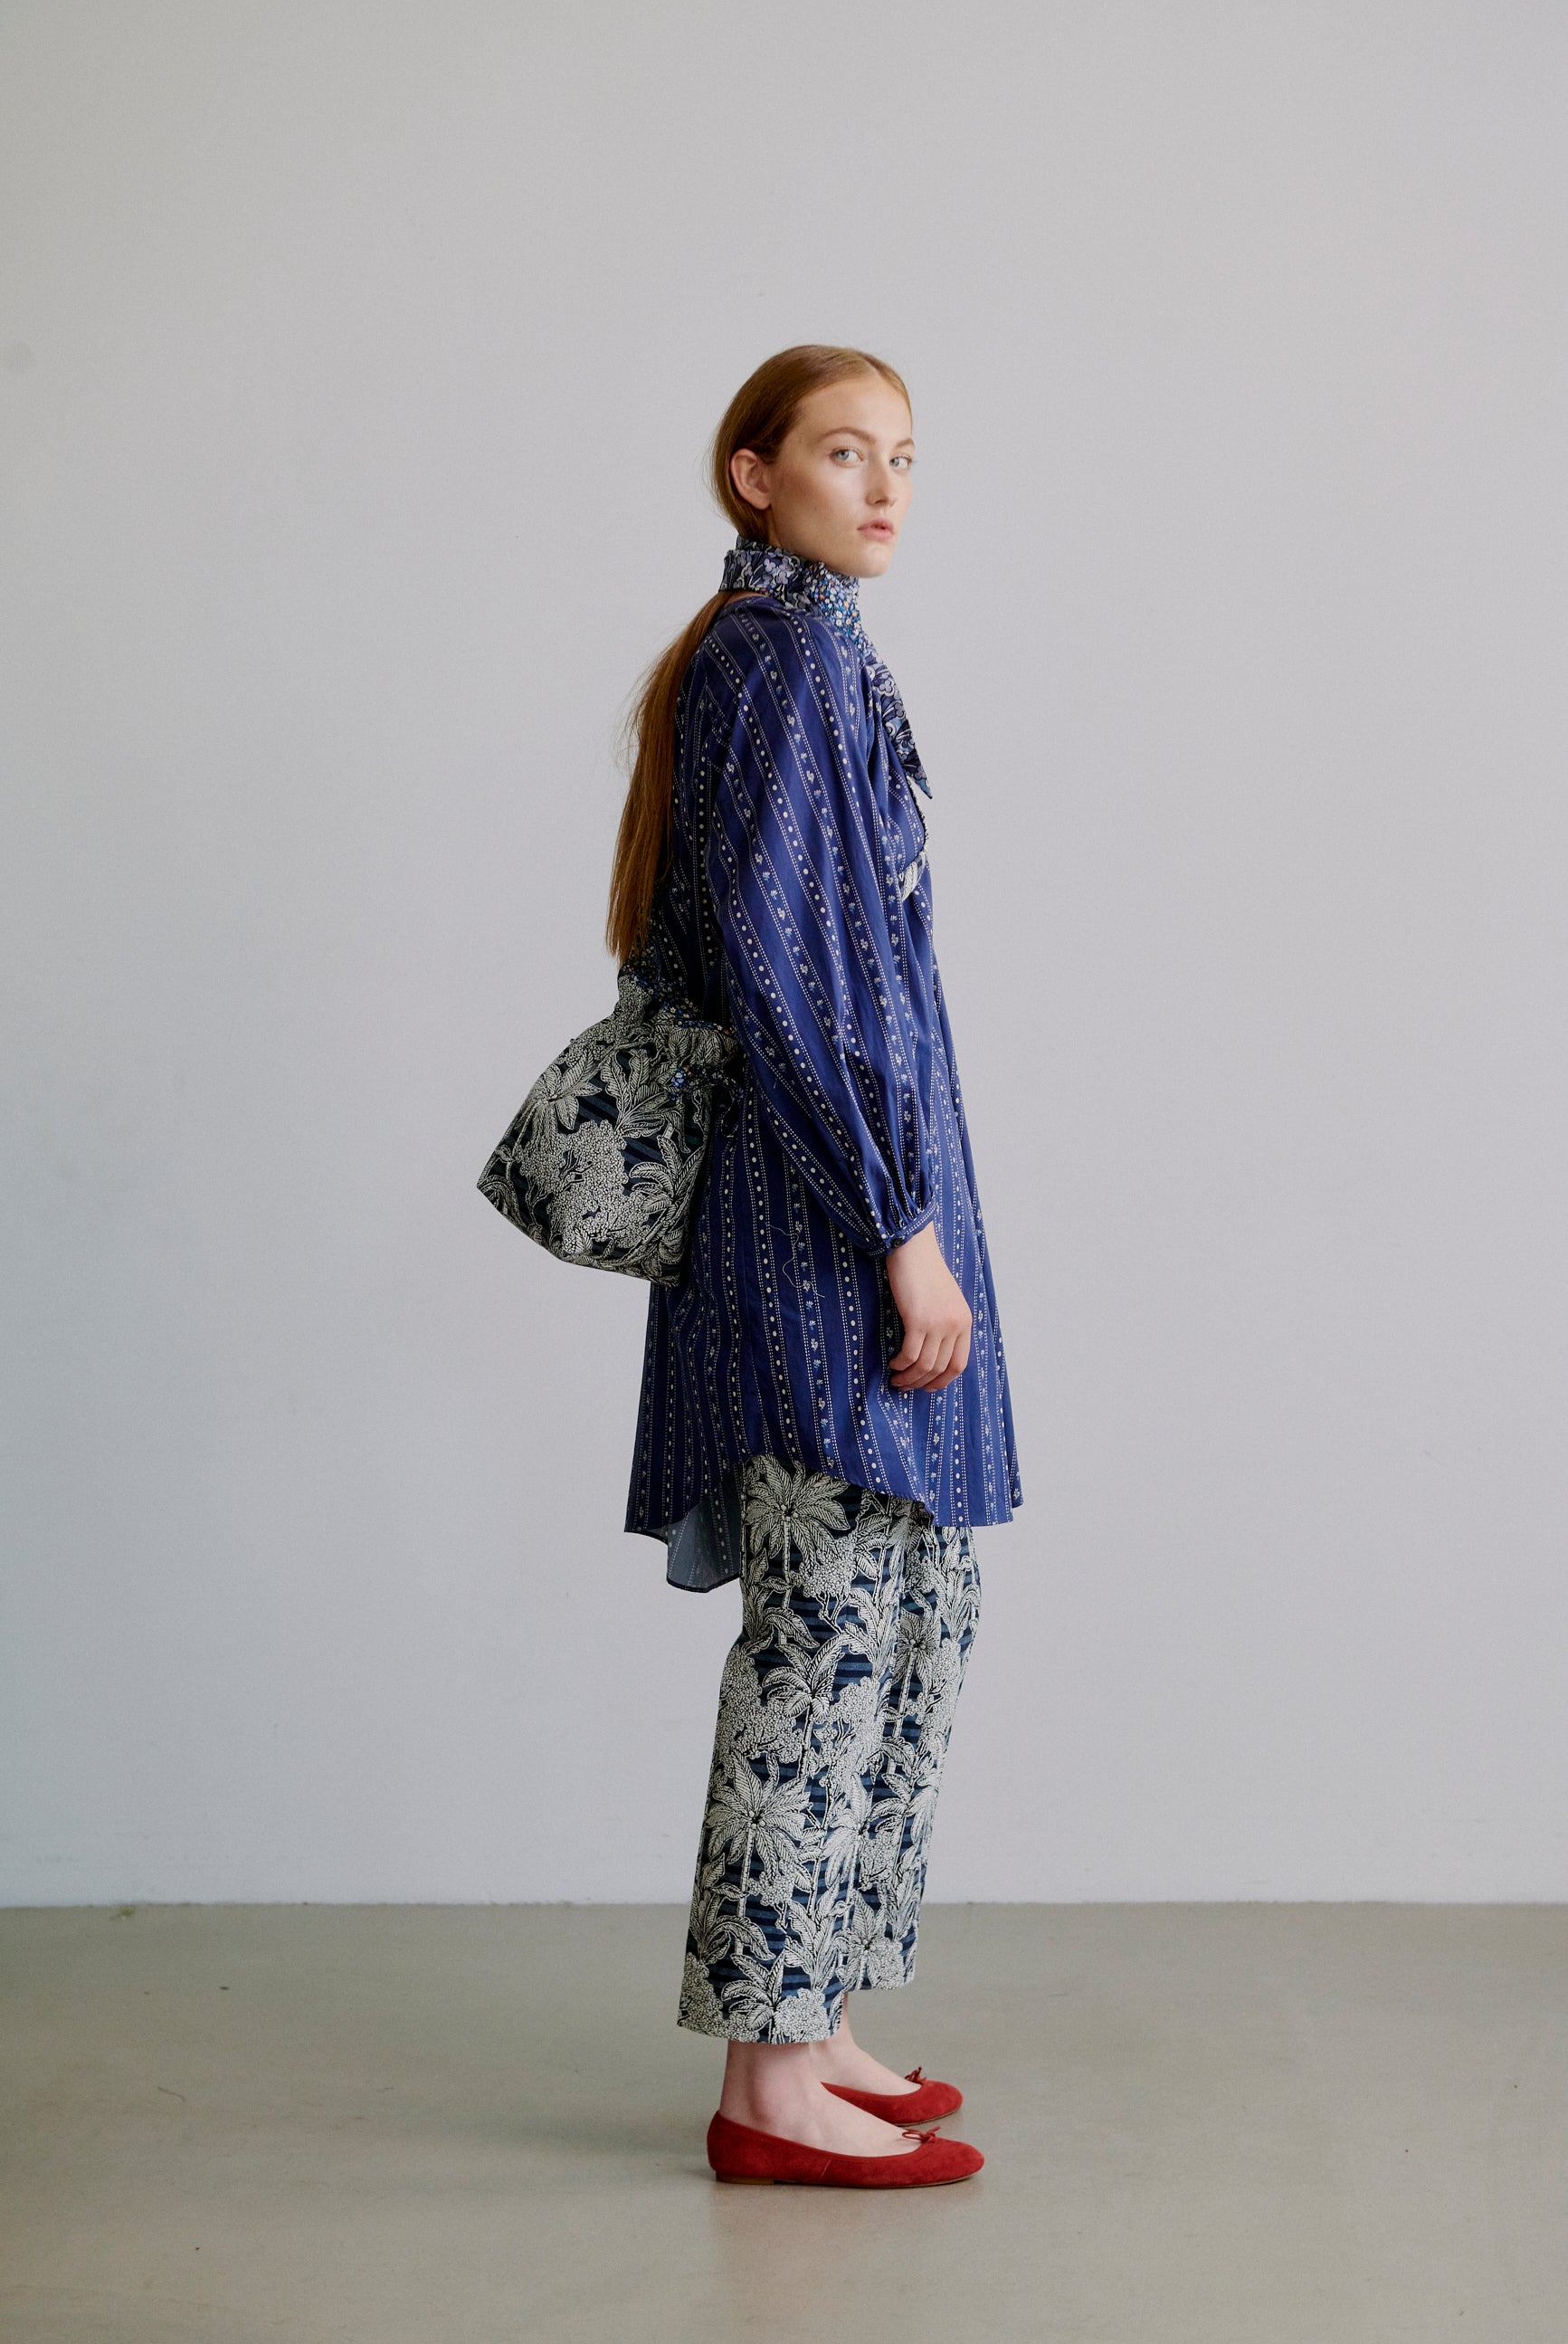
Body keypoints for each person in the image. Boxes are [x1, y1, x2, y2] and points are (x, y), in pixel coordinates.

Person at [604, 345, 1022, 2187]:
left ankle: (818, 2019)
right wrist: (902, 1234)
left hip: (842, 1215)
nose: (885, 487)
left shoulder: (806, 652)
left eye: (904, 456)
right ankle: (766, 2088)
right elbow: (799, 987)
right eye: (845, 452)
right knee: (828, 1637)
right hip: (815, 1235)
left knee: (907, 1618)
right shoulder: (777, 665)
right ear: (752, 472)